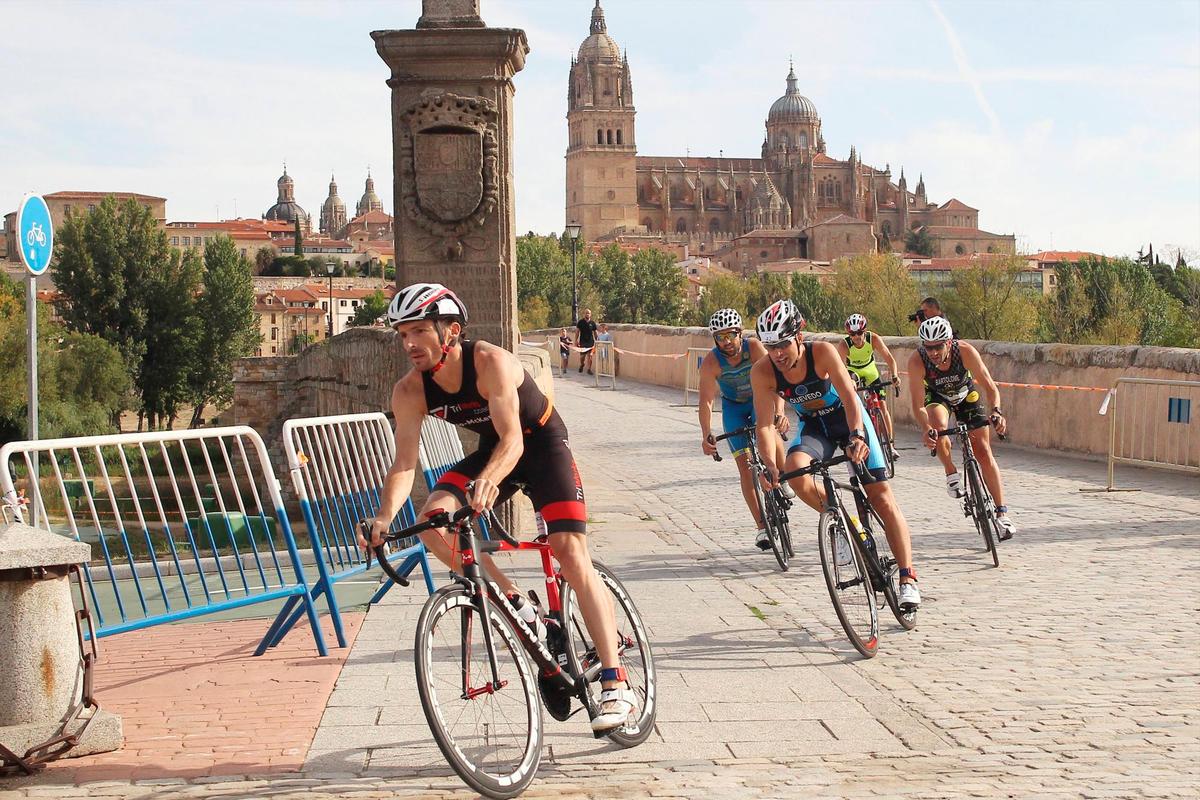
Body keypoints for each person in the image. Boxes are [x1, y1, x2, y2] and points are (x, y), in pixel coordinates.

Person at [358, 283, 637, 733]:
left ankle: (614, 681)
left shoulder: (489, 362)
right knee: (432, 524)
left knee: (567, 548)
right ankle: (516, 603)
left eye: (418, 331)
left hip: (541, 444)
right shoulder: (410, 390)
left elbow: (515, 439)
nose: (408, 344)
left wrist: (490, 479)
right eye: (401, 334)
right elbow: (404, 464)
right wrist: (383, 518)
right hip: (493, 452)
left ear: (450, 332)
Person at [750, 299, 920, 609]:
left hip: (848, 419)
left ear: (799, 337)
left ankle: (907, 577)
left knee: (881, 497)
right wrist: (768, 465)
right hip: (816, 428)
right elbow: (764, 426)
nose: (777, 354)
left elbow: (849, 395)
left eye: (783, 344)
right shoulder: (763, 371)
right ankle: (843, 524)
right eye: (769, 346)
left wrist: (857, 435)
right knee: (795, 472)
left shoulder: (823, 353)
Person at [907, 316, 1015, 538]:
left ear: (948, 342)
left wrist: (996, 412)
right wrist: (926, 428)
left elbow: (990, 387)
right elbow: (917, 405)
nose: (934, 352)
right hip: (937, 396)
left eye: (938, 346)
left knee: (983, 451)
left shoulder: (964, 351)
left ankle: (1002, 513)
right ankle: (950, 472)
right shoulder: (917, 360)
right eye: (929, 347)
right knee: (938, 425)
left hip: (966, 395)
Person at [697, 308, 793, 551]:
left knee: (769, 429)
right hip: (734, 408)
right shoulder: (711, 362)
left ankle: (782, 476)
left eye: (731, 335)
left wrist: (780, 412)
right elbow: (706, 401)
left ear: (741, 333)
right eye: (721, 337)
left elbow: (777, 382)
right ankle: (762, 527)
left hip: (760, 398)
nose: (727, 342)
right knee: (745, 467)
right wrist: (707, 433)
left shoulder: (755, 349)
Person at [835, 313, 901, 461]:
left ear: (864, 331)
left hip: (871, 371)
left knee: (882, 407)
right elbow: (839, 367)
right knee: (853, 402)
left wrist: (895, 375)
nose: (857, 337)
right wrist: (846, 382)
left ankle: (890, 445)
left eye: (859, 333)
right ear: (849, 334)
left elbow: (889, 358)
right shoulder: (844, 344)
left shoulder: (873, 339)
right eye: (852, 334)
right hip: (854, 373)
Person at [576, 308, 598, 375]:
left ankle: (589, 369)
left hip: (590, 341)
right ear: (584, 314)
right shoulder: (580, 322)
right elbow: (577, 332)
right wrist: (576, 340)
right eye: (586, 313)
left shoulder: (592, 323)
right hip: (582, 341)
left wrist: (597, 341)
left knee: (590, 356)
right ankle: (582, 364)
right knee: (582, 357)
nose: (587, 314)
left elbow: (595, 332)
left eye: (588, 313)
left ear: (590, 314)